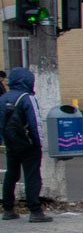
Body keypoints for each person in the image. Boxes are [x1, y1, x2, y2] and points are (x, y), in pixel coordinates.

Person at [1, 67, 51, 222]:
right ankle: (35, 211)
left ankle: (8, 209)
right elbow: (35, 123)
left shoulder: (3, 98)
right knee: (32, 176)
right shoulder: (27, 98)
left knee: (11, 174)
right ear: (28, 81)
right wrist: (39, 143)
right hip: (28, 144)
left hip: (11, 143)